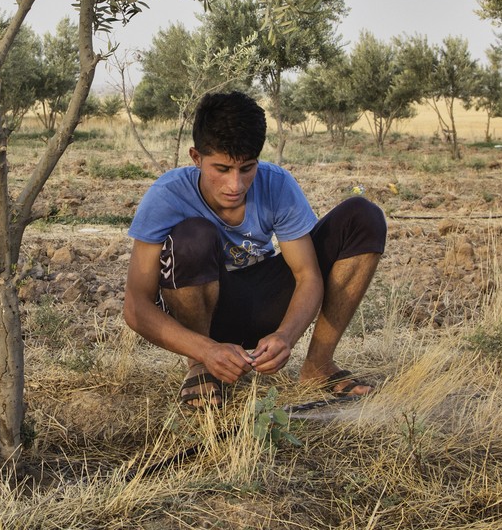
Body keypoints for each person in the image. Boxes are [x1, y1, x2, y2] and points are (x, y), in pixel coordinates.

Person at [123, 91, 387, 409]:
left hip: (264, 303)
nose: (235, 185)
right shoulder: (166, 195)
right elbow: (136, 306)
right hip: (204, 314)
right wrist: (204, 350)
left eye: (246, 168)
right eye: (221, 169)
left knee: (363, 216)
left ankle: (318, 366)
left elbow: (307, 276)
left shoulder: (277, 183)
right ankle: (201, 369)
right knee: (192, 236)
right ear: (196, 158)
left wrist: (286, 336)